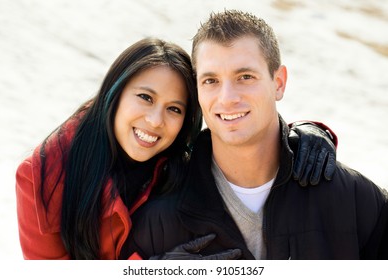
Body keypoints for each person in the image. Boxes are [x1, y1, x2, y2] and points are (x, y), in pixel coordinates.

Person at [16, 37, 336, 260]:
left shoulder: (179, 159)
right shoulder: (42, 177)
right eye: (145, 97)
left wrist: (310, 133)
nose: (155, 121)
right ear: (113, 92)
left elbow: (245, 144)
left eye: (175, 109)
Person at [124, 11, 388, 260]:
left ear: (279, 83)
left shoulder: (354, 199)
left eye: (245, 76)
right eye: (211, 81)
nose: (227, 98)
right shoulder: (157, 220)